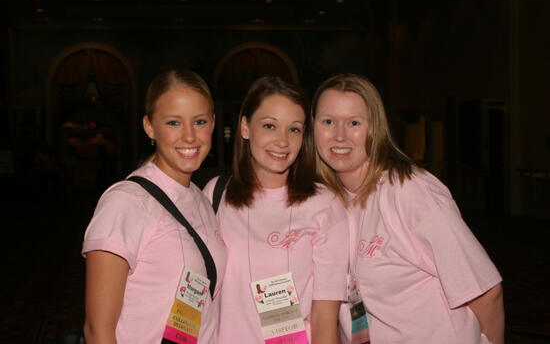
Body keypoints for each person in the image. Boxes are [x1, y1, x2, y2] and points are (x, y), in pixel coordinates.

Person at [312, 73, 505, 344]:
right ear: (314, 128)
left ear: (375, 128)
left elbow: (485, 291)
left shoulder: (411, 191)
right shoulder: (327, 201)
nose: (340, 135)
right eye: (328, 121)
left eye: (354, 122)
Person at [82, 69, 226, 344]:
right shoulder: (126, 203)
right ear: (149, 127)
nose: (189, 136)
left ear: (213, 123)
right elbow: (97, 330)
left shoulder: (200, 199)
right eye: (173, 122)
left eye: (199, 121)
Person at [203, 76, 349, 344]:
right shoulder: (215, 194)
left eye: (294, 129)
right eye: (270, 126)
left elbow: (325, 321)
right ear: (245, 127)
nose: (282, 141)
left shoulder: (323, 205)